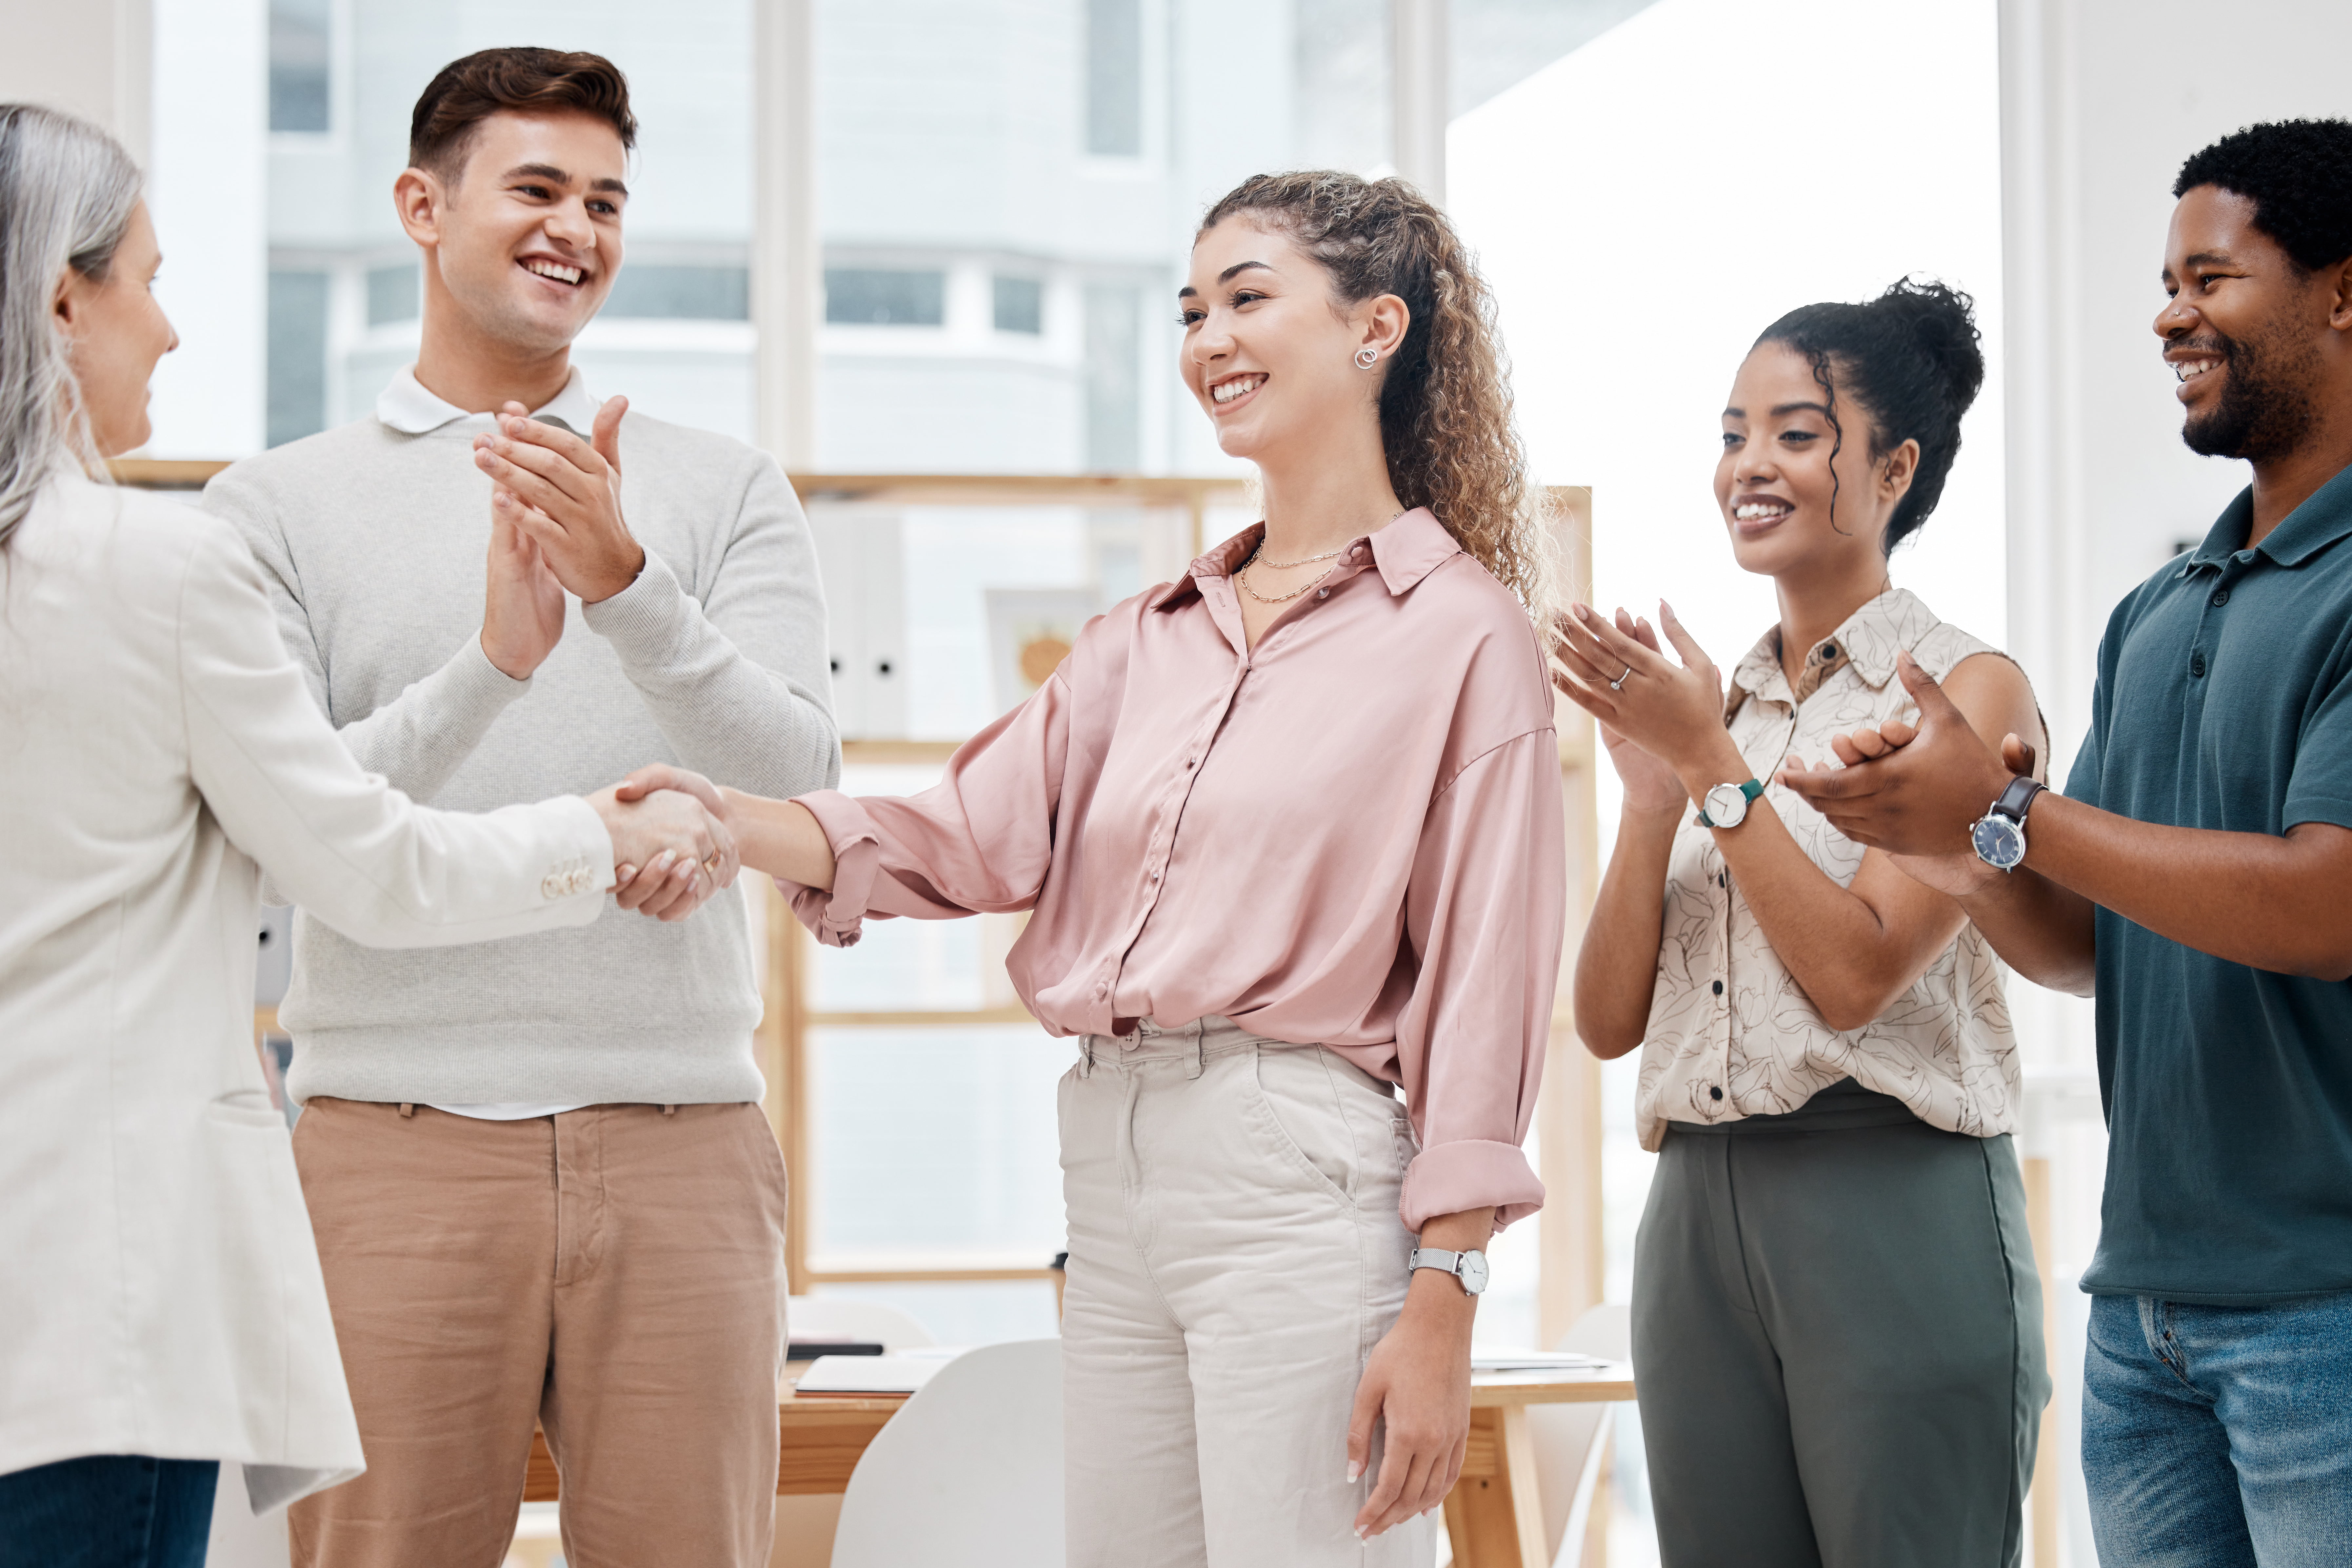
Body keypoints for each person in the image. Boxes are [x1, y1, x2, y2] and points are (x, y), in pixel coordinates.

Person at [629, 169, 1563, 1566]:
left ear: (1378, 328)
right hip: (1112, 1168)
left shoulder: (1463, 636)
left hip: (1301, 1173)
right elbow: (960, 831)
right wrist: (729, 812)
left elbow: (1486, 987)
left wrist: (1448, 1289)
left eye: (1249, 298)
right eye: (1193, 310)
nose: (1210, 339)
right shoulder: (1147, 634)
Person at [0, 105, 734, 1568]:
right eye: (145, 280)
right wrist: (602, 829)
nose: (169, 331)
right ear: (61, 297)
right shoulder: (161, 563)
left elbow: (289, 825)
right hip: (96, 1282)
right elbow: (362, 864)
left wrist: (490, 670)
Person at [198, 49, 838, 1568]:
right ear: (424, 205)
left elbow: (800, 773)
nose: (579, 229)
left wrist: (627, 588)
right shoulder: (274, 506)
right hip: (392, 1139)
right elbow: (303, 831)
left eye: (607, 200)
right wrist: (498, 664)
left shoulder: (720, 485)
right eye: (538, 188)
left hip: (684, 1127)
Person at [1781, 120, 2352, 1566]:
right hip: (2147, 1318)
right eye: (2167, 279)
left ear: (2342, 292)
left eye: (2210, 276)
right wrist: (1969, 843)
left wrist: (2025, 813)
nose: (2170, 312)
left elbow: (2327, 904)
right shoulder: (2157, 615)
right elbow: (2095, 948)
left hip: (2329, 1310)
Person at [1554, 280, 2052, 1566]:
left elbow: (1853, 976)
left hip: (1892, 1200)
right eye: (1731, 434)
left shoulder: (1963, 686)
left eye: (1794, 432)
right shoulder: (1720, 704)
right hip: (1695, 1220)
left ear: (1894, 465)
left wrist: (1711, 760)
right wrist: (1654, 798)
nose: (1748, 466)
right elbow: (1608, 1022)